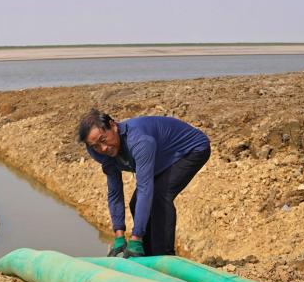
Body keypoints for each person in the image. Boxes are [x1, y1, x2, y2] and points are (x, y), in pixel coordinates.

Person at [77, 110, 210, 257]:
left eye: (103, 140)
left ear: (113, 125)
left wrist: (136, 236)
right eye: (96, 146)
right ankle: (145, 254)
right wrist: (119, 234)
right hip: (161, 156)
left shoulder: (139, 141)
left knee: (159, 196)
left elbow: (144, 189)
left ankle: (164, 258)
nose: (103, 148)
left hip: (191, 150)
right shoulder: (97, 151)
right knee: (135, 203)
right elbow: (115, 191)